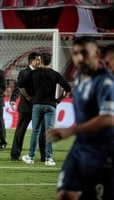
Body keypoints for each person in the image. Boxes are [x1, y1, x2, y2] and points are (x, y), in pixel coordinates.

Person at [48, 37, 114, 200]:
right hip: (80, 149)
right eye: (76, 53)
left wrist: (71, 130)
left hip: (102, 154)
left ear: (97, 54)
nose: (79, 57)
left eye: (84, 53)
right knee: (64, 195)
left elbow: (108, 118)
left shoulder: (105, 82)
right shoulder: (79, 77)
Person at [19, 53, 71, 166]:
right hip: (51, 105)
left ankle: (31, 157)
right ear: (50, 61)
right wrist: (59, 99)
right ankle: (49, 159)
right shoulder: (55, 74)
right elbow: (67, 87)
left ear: (40, 60)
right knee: (49, 132)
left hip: (37, 105)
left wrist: (29, 96)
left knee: (35, 131)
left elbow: (20, 84)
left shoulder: (33, 73)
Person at [9, 52, 46, 161]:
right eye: (38, 59)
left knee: (42, 131)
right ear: (32, 61)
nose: (40, 61)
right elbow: (18, 87)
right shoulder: (24, 73)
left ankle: (44, 156)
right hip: (26, 107)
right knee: (20, 131)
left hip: (40, 106)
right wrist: (13, 99)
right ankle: (15, 154)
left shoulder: (42, 73)